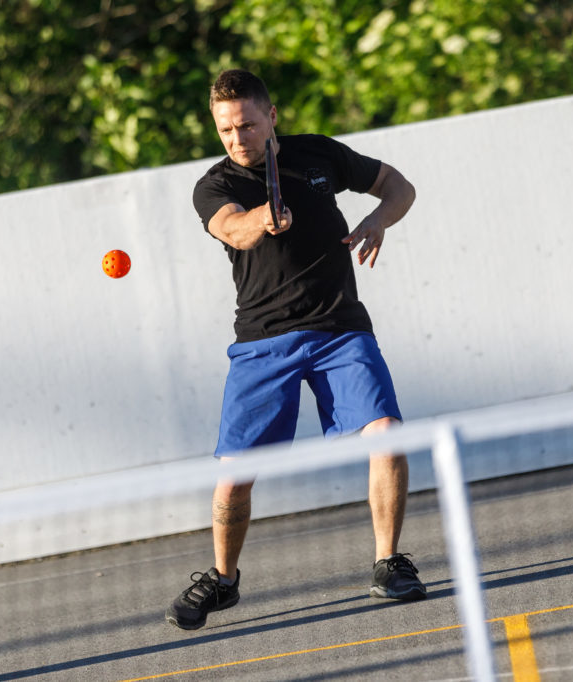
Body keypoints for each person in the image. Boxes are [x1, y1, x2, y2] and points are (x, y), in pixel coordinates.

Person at [166, 68, 425, 631]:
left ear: (271, 116)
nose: (237, 138)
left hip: (340, 330)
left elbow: (399, 187)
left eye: (247, 125)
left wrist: (378, 220)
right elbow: (232, 229)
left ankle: (389, 563)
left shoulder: (319, 156)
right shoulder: (213, 185)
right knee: (234, 475)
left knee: (387, 434)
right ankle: (223, 579)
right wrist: (263, 218)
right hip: (262, 343)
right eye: (226, 129)